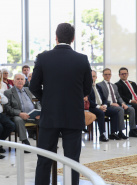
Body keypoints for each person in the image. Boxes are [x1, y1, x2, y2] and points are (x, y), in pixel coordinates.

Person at [29, 23, 92, 185]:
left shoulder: (43, 58)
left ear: (56, 37)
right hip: (73, 116)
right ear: (73, 38)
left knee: (44, 159)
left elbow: (34, 86)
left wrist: (46, 100)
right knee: (72, 161)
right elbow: (87, 89)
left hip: (50, 116)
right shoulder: (82, 59)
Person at [97, 68, 137, 138]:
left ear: (111, 75)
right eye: (105, 74)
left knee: (131, 109)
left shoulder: (114, 86)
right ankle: (120, 132)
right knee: (120, 109)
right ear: (103, 75)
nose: (107, 76)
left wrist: (123, 103)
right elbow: (101, 98)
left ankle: (133, 129)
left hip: (118, 104)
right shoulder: (99, 85)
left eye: (109, 74)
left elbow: (119, 97)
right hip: (109, 105)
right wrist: (111, 103)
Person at [4, 73, 41, 150]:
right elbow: (7, 108)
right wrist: (20, 113)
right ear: (13, 81)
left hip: (32, 115)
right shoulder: (8, 92)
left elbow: (36, 102)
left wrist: (38, 112)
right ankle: (25, 141)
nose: (20, 81)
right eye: (18, 79)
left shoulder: (28, 90)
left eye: (22, 79)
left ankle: (44, 142)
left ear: (24, 81)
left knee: (44, 119)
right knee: (18, 120)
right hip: (18, 115)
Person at [89, 70, 120, 141]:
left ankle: (113, 133)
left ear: (96, 77)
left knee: (114, 112)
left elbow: (104, 98)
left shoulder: (98, 87)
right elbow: (89, 101)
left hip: (102, 106)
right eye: (90, 76)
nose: (92, 78)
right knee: (101, 113)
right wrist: (99, 107)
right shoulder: (86, 88)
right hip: (92, 107)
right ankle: (102, 134)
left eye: (93, 76)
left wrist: (105, 105)